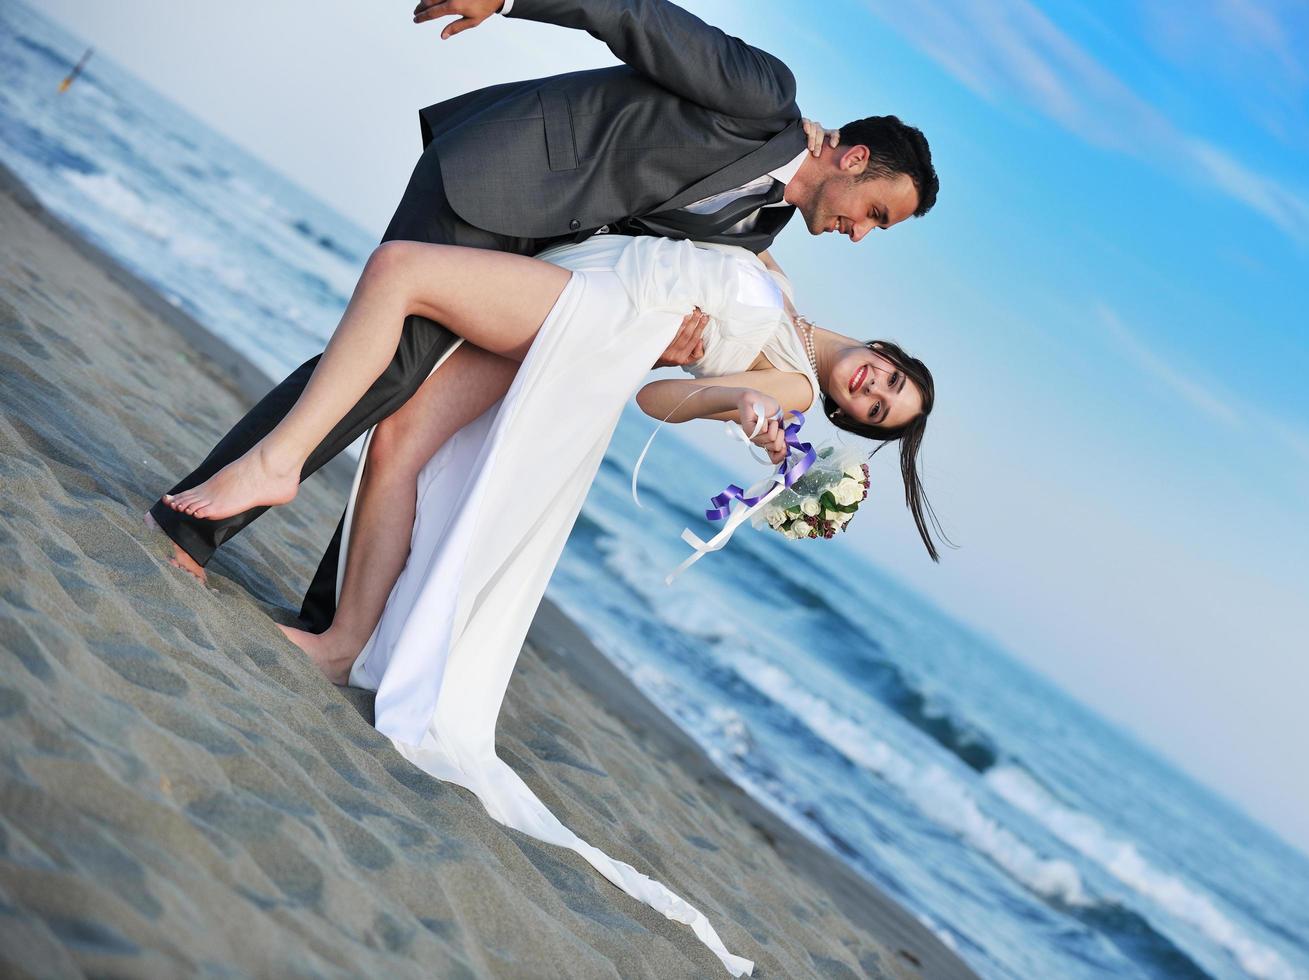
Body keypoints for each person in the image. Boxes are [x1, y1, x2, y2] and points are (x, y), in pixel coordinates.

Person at [157, 225, 942, 975]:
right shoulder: (787, 294)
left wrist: (734, 405)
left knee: (406, 304)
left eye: (875, 410)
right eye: (891, 380)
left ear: (844, 418)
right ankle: (347, 641)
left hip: (594, 333)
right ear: (886, 352)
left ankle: (334, 626)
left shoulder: (794, 386)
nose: (872, 390)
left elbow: (658, 400)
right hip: (590, 282)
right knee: (403, 439)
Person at [145, 0, 939, 640]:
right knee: (389, 372)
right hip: (504, 170)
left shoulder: (758, 231)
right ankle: (198, 529)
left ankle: (330, 622)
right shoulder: (766, 95)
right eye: (875, 213)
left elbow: (648, 256)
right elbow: (634, 15)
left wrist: (671, 344)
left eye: (878, 230)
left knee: (411, 410)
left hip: (542, 259)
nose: (861, 233)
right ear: (855, 159)